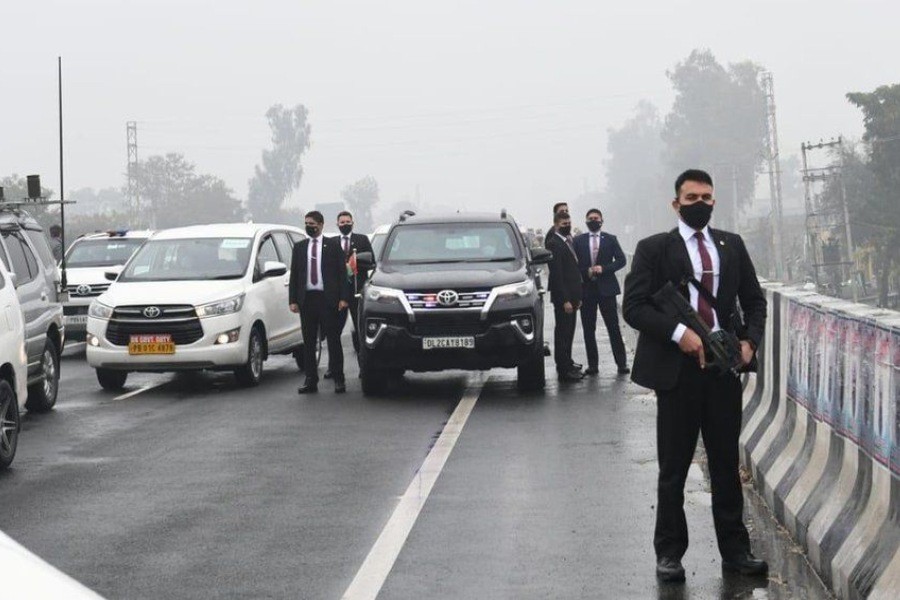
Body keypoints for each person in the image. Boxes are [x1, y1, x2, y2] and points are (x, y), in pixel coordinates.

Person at [622, 169, 768, 583]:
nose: (700, 203)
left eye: (706, 197)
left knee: (725, 464)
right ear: (676, 203)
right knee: (674, 468)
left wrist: (749, 344)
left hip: (723, 372)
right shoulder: (654, 249)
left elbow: (755, 302)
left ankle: (736, 552)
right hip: (677, 374)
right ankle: (669, 553)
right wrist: (678, 332)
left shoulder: (732, 246)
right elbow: (632, 307)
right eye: (691, 198)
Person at [289, 211, 351, 394]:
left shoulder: (332, 245)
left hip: (328, 300)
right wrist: (293, 299)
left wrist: (343, 298)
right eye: (306, 223)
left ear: (321, 224)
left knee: (333, 340)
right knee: (309, 342)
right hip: (307, 300)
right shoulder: (299, 247)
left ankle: (339, 379)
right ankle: (310, 379)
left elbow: (342, 273)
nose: (309, 226)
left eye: (312, 223)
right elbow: (295, 275)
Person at [574, 209, 629, 376]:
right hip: (587, 290)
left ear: (601, 220)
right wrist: (587, 272)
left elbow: (621, 260)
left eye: (596, 218)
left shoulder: (610, 239)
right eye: (590, 219)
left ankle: (621, 363)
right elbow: (574, 266)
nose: (593, 221)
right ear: (586, 221)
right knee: (588, 330)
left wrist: (604, 268)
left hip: (607, 290)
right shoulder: (578, 241)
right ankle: (593, 365)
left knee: (613, 327)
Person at [545, 211, 584, 382]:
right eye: (563, 224)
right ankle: (563, 369)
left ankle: (568, 363)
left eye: (568, 222)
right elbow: (557, 275)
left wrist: (577, 296)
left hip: (573, 296)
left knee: (569, 334)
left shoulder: (568, 242)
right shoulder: (555, 243)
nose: (567, 226)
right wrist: (565, 300)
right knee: (562, 334)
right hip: (564, 299)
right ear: (555, 225)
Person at [334, 210, 373, 355]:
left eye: (347, 222)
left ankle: (363, 363)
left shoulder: (362, 240)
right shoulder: (332, 243)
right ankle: (334, 367)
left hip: (357, 292)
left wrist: (355, 263)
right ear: (337, 224)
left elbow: (371, 262)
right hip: (338, 294)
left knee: (359, 329)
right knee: (335, 331)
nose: (345, 224)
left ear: (352, 223)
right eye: (342, 222)